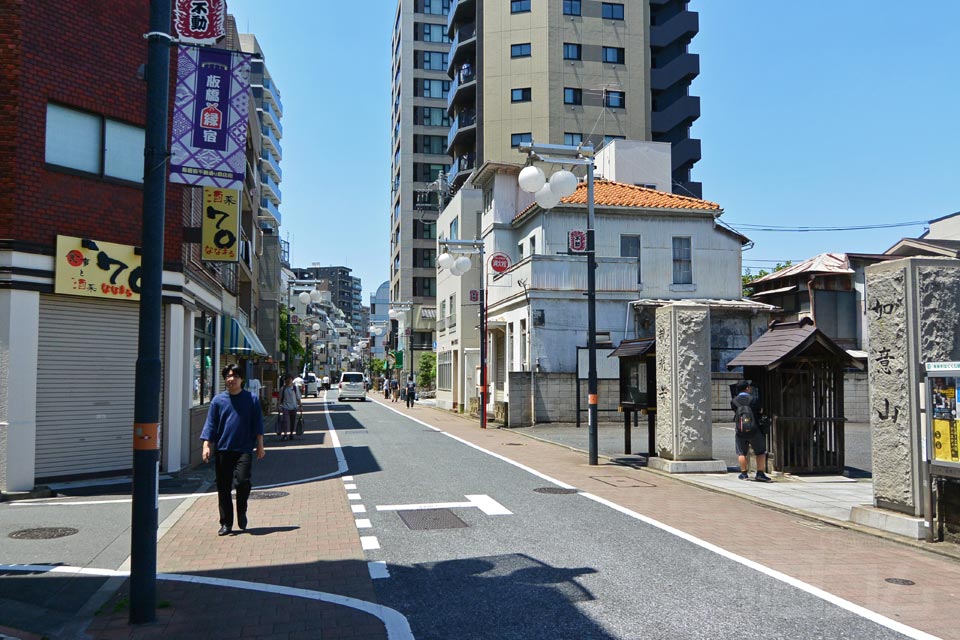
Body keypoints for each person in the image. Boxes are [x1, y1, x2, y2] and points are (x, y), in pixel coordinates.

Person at [201, 364, 266, 536]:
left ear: (241, 379)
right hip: (223, 449)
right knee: (223, 487)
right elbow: (211, 424)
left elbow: (257, 424)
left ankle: (241, 509)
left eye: (236, 376)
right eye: (229, 376)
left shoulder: (251, 399)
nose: (232, 379)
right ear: (225, 379)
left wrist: (260, 444)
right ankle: (226, 523)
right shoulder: (218, 401)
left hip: (244, 448)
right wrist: (206, 445)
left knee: (243, 482)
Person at [731, 380, 771, 482]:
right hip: (755, 429)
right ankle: (760, 473)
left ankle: (744, 474)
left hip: (740, 430)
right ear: (747, 388)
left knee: (741, 452)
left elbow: (735, 412)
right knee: (760, 452)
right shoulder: (754, 399)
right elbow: (759, 411)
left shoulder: (734, 401)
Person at [278, 374, 301, 441]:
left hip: (294, 407)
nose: (288, 381)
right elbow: (280, 398)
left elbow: (298, 398)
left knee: (293, 421)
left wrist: (300, 406)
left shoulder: (295, 388)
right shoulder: (283, 388)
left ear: (292, 380)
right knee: (285, 421)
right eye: (287, 380)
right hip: (285, 407)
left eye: (290, 379)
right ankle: (285, 434)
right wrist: (279, 406)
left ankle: (291, 433)